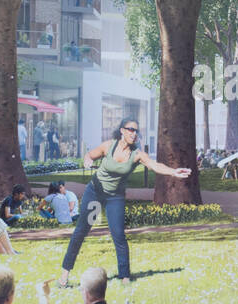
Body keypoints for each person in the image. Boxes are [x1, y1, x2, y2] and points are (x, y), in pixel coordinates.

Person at [59, 117, 191, 286]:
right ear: (122, 130)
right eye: (130, 129)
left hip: (115, 197)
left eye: (136, 131)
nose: (134, 133)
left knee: (118, 234)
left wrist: (174, 171)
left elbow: (155, 165)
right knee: (81, 231)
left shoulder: (137, 155)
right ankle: (64, 275)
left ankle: (125, 277)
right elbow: (90, 155)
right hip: (95, 193)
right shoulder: (109, 146)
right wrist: (87, 160)